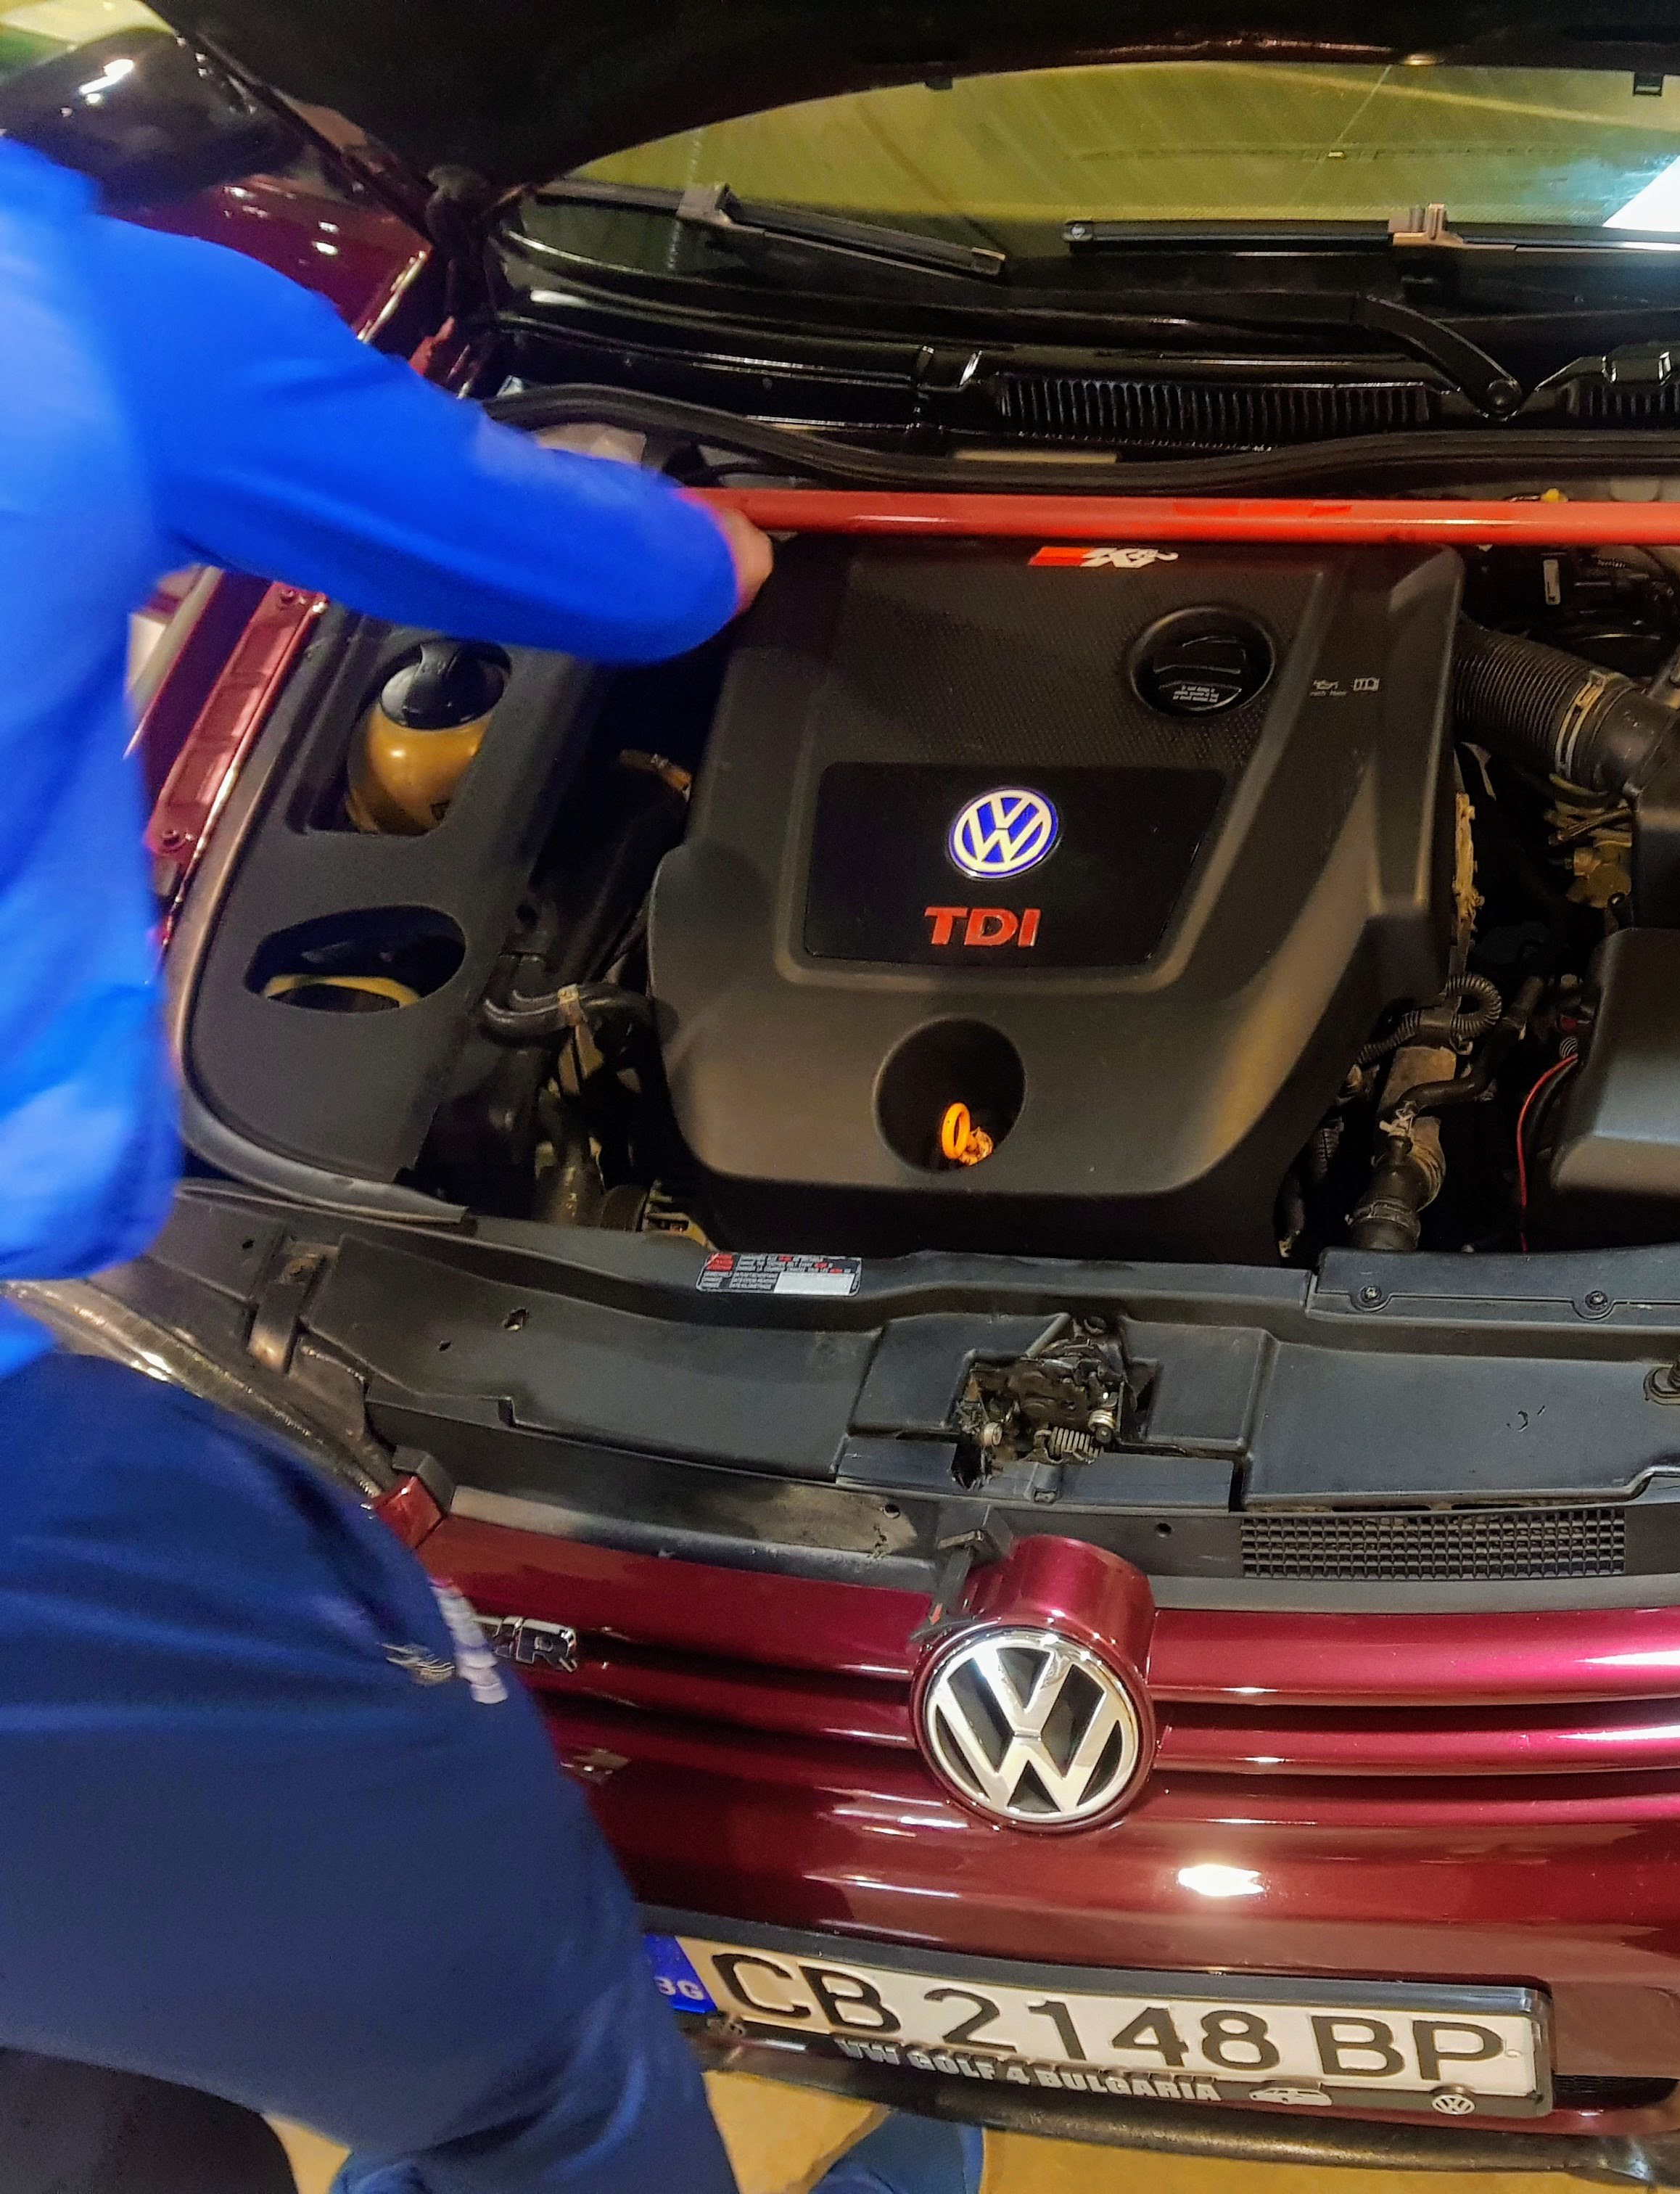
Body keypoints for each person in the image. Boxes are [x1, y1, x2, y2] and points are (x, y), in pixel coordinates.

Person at [0, 137, 980, 2194]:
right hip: (33, 1546)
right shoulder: (77, 315)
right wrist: (714, 535)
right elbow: (646, 579)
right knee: (533, 2066)